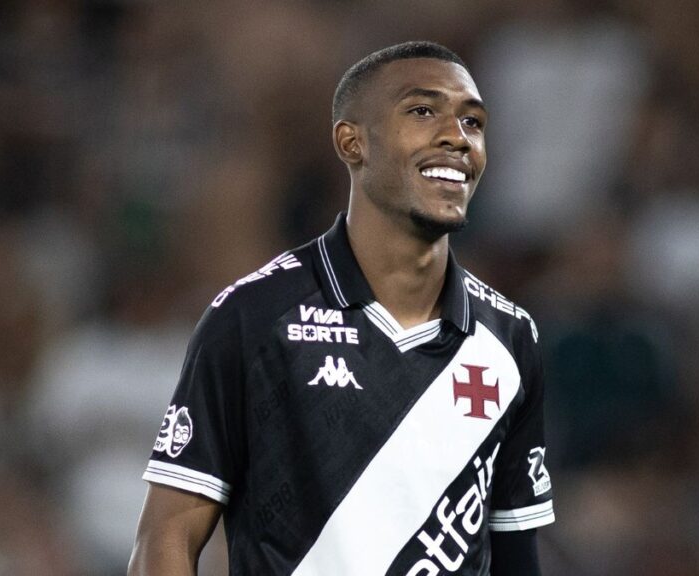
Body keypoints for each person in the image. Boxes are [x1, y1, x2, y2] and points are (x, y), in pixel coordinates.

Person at [128, 40, 554, 576]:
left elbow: (517, 555)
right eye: (423, 111)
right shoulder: (255, 316)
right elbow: (165, 539)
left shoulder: (510, 339)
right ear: (352, 142)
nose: (457, 136)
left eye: (473, 122)